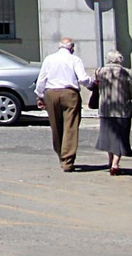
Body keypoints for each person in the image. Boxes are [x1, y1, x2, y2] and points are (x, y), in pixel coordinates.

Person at [34, 37, 93, 171]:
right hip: (69, 93)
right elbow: (83, 78)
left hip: (51, 93)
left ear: (59, 47)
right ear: (72, 48)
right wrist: (92, 84)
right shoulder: (74, 60)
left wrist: (40, 95)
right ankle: (67, 160)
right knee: (70, 127)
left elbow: (41, 80)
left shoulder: (49, 59)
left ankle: (61, 155)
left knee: (56, 126)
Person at [93, 49, 132, 175]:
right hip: (122, 109)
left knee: (109, 137)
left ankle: (111, 161)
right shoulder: (125, 72)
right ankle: (115, 165)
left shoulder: (99, 72)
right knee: (120, 136)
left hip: (105, 109)